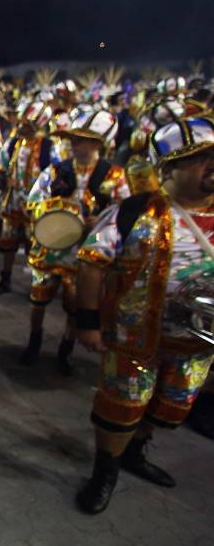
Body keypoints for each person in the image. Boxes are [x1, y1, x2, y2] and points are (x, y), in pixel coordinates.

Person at [75, 117, 214, 514]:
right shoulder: (136, 211)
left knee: (171, 407)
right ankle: (105, 472)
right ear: (169, 170)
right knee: (120, 410)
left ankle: (136, 452)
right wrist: (87, 322)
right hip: (134, 340)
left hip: (196, 346)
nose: (211, 166)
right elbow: (90, 264)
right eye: (200, 159)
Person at [20, 109, 129, 374]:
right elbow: (32, 202)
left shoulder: (114, 175)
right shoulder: (55, 170)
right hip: (51, 246)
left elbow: (124, 213)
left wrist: (100, 221)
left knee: (75, 303)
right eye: (73, 138)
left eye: (80, 138)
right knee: (38, 299)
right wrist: (55, 209)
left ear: (96, 143)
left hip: (85, 252)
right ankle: (34, 341)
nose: (73, 143)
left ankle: (65, 351)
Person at [0, 101, 60, 295]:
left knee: (36, 244)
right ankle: (5, 279)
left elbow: (57, 172)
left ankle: (38, 285)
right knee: (8, 242)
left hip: (38, 204)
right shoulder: (13, 143)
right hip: (13, 201)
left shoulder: (48, 146)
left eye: (26, 124)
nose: (21, 126)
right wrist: (2, 178)